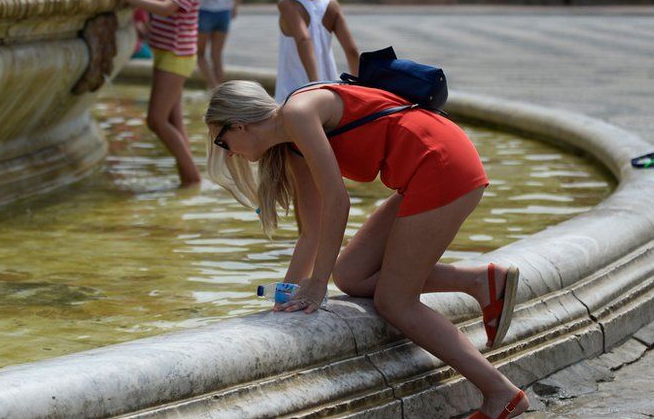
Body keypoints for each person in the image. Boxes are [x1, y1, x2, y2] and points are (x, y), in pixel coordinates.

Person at [204, 80, 529, 419]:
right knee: (351, 274)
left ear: (238, 125)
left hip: (442, 164)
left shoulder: (298, 114)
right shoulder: (292, 143)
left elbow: (338, 202)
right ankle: (478, 281)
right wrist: (286, 298)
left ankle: (501, 393)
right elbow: (312, 230)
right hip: (423, 170)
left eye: (222, 141)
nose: (227, 152)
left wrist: (317, 284)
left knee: (395, 302)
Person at [96, 0, 202, 187]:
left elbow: (167, 8)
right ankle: (188, 180)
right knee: (174, 121)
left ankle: (193, 177)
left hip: (177, 56)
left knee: (155, 120)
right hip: (166, 53)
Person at [274, 0, 359, 103]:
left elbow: (304, 39)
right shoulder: (331, 4)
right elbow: (352, 50)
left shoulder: (287, 4)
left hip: (296, 95)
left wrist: (314, 86)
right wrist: (359, 87)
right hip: (331, 93)